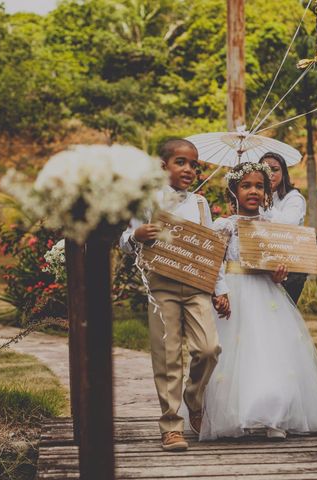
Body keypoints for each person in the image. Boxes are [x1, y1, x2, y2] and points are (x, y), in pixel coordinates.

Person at [200, 162, 317, 441]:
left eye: (259, 186)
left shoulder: (272, 227)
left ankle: (275, 415)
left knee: (271, 351)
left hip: (266, 296)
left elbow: (277, 266)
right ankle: (239, 414)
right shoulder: (226, 225)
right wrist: (219, 293)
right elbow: (213, 263)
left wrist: (279, 274)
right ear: (234, 190)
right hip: (234, 293)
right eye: (246, 185)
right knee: (236, 356)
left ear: (267, 191)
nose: (253, 191)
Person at [119, 138, 230, 452]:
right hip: (161, 288)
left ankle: (193, 397)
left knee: (209, 348)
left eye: (194, 165)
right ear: (162, 166)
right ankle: (170, 425)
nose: (190, 170)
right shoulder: (146, 200)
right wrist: (135, 235)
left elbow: (211, 251)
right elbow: (125, 240)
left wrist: (220, 289)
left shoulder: (200, 204)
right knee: (167, 357)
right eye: (181, 162)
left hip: (197, 288)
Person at [259, 152, 308, 303]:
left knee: (282, 311)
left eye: (275, 169)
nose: (270, 174)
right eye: (265, 169)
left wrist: (265, 205)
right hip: (263, 263)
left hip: (290, 265)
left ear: (283, 172)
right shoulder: (255, 196)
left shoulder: (293, 198)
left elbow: (288, 226)